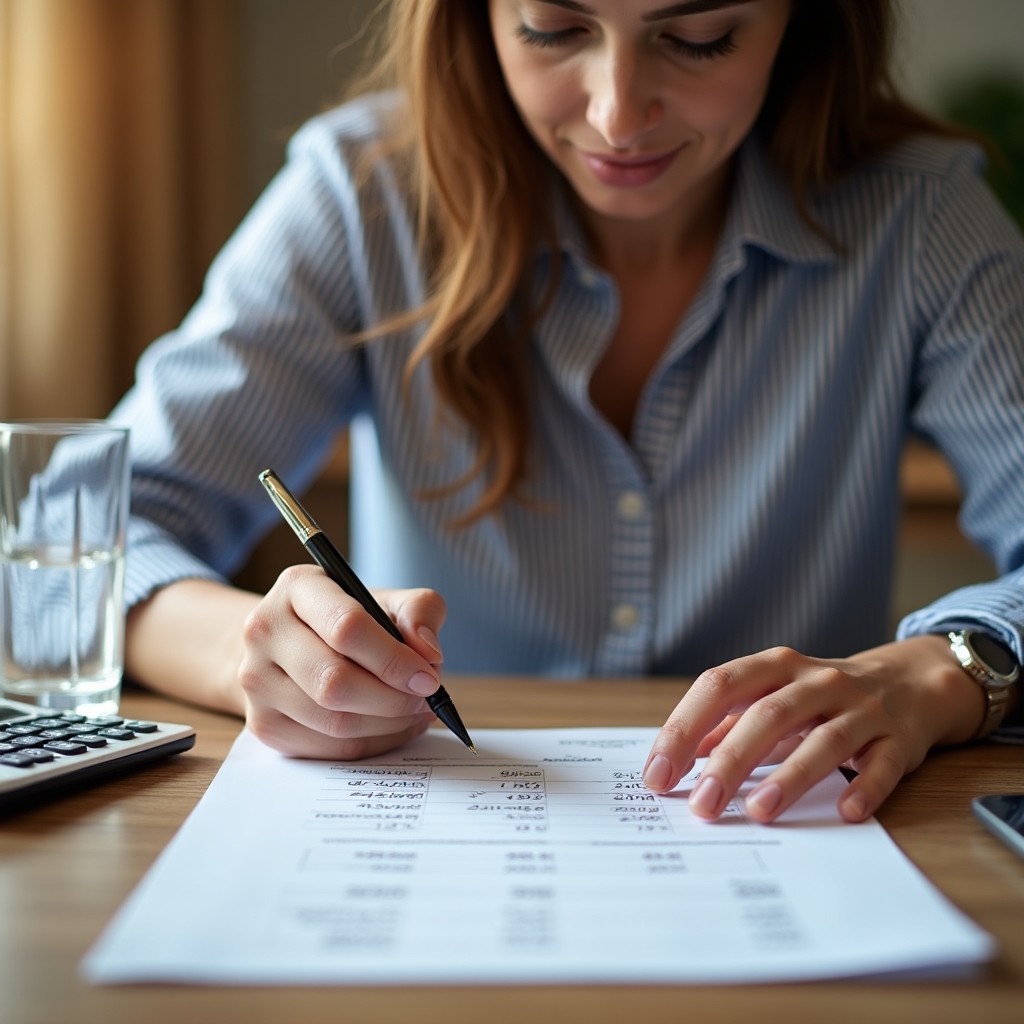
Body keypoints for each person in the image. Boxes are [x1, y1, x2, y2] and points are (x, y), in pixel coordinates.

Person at [115, 0, 1024, 826]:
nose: (617, 115)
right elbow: (82, 536)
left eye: (700, 37)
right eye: (553, 28)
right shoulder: (363, 195)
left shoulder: (922, 215)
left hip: (798, 830)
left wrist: (946, 671)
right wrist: (266, 658)